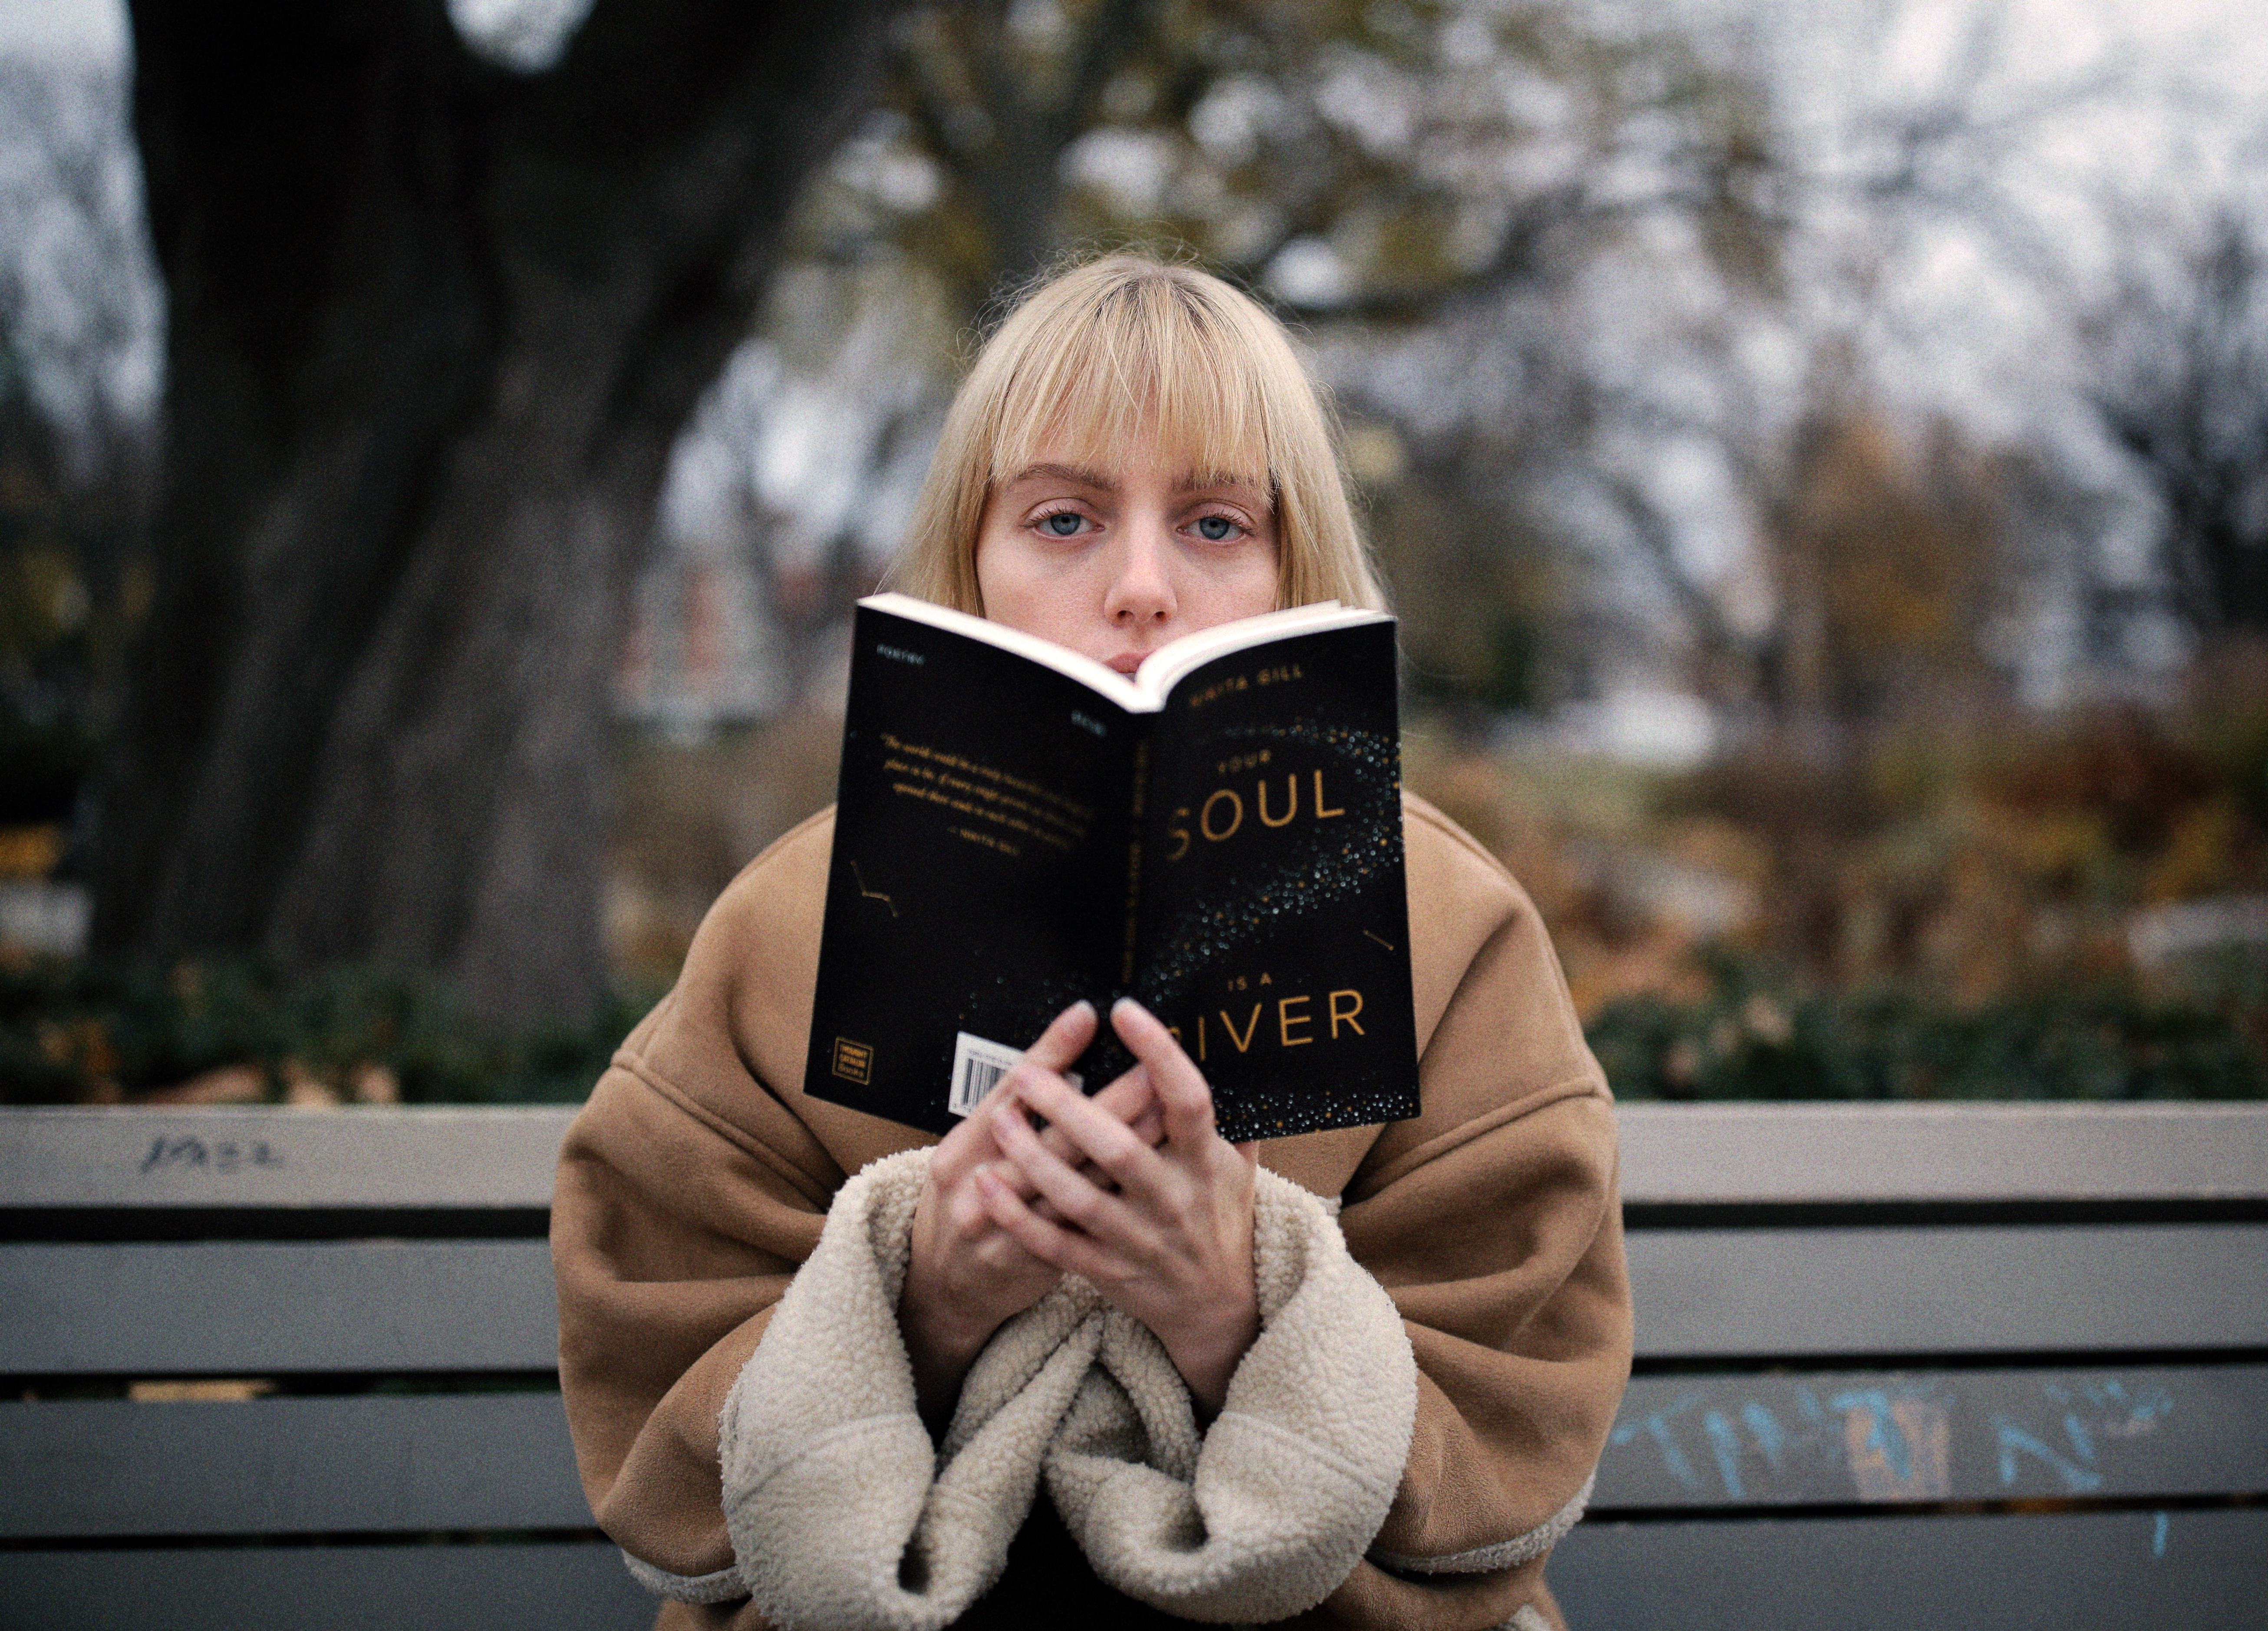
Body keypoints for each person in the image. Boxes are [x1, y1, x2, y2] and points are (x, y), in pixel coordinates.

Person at [551, 254, 1632, 1631]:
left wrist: (1245, 1311)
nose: (1139, 587)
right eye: (1063, 519)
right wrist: (922, 1296)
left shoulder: (1450, 926)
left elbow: (1516, 1386)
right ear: (973, 566)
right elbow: (657, 1324)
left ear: (1300, 570)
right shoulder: (788, 922)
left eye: (1216, 524)